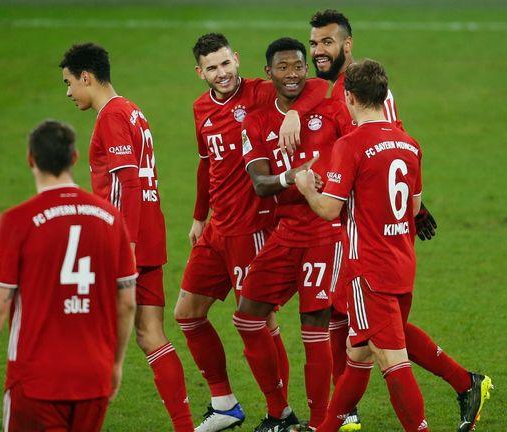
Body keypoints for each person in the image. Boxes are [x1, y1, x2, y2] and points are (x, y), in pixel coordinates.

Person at [308, 10, 489, 432]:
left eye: (326, 43)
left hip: (364, 259)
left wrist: (306, 187)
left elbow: (333, 202)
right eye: (314, 43)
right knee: (360, 350)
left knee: (389, 356)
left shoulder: (350, 132)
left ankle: (439, 408)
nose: (318, 50)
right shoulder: (408, 141)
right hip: (400, 255)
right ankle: (332, 425)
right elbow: (410, 199)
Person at [175, 33, 329, 432]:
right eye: (212, 67)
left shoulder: (261, 92)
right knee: (187, 314)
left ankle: (280, 412)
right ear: (199, 73)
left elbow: (312, 84)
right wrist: (198, 217)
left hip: (254, 226)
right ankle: (224, 402)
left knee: (259, 322)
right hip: (217, 228)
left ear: (237, 60)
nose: (222, 73)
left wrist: (296, 112)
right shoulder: (200, 109)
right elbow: (206, 164)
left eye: (226, 64)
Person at [0, 120, 137, 431]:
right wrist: (116, 364)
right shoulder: (111, 218)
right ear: (74, 158)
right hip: (93, 377)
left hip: (36, 381)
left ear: (31, 159)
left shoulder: (17, 221)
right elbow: (127, 303)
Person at [59, 43, 194, 431]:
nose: (69, 92)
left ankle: (69, 419)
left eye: (69, 83)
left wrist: (125, 245)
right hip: (151, 233)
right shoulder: (132, 110)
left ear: (86, 77)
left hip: (125, 241)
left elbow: (126, 183)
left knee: (86, 331)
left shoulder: (112, 117)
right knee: (151, 335)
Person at [234, 37, 353, 432]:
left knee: (313, 327)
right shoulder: (254, 120)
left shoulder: (328, 104)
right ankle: (279, 411)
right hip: (285, 232)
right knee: (248, 316)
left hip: (325, 231)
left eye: (298, 66)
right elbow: (260, 184)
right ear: (268, 72)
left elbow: (355, 149)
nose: (292, 75)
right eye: (283, 67)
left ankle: (321, 423)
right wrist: (293, 178)